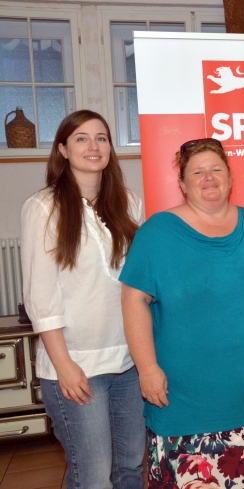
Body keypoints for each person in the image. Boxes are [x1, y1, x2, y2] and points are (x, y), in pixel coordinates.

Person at [119, 138, 244, 488]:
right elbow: (133, 300)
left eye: (216, 170)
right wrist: (147, 368)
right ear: (182, 184)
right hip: (186, 404)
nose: (208, 178)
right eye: (197, 172)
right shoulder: (157, 233)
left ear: (230, 177)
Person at [20, 110, 145, 488]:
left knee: (130, 469)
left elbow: (137, 284)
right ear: (62, 149)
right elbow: (39, 296)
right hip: (76, 366)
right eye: (81, 138)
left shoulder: (129, 202)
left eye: (102, 138)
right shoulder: (44, 208)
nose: (94, 146)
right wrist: (64, 365)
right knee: (92, 478)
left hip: (128, 362)